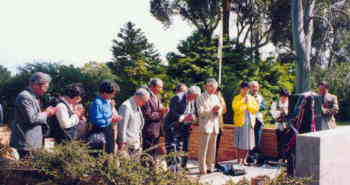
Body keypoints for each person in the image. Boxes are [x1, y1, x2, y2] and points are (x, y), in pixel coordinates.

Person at [10, 72, 57, 158]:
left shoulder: (32, 96)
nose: (46, 90)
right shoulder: (25, 97)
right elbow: (32, 119)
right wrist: (47, 113)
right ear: (36, 85)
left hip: (32, 143)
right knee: (27, 170)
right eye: (45, 87)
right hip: (26, 144)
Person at [164, 85, 201, 170]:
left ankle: (180, 168)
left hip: (184, 128)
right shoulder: (177, 98)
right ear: (190, 94)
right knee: (172, 149)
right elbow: (173, 113)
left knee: (182, 149)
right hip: (172, 127)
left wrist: (193, 117)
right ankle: (171, 170)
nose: (194, 99)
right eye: (194, 97)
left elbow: (194, 112)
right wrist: (183, 117)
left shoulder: (192, 100)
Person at [196, 78, 223, 175]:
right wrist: (212, 110)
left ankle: (210, 167)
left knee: (212, 148)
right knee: (203, 149)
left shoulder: (216, 97)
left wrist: (218, 111)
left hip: (215, 125)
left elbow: (221, 110)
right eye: (211, 87)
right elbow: (200, 112)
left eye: (215, 88)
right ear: (206, 86)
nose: (213, 89)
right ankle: (202, 168)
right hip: (206, 125)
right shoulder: (200, 97)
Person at [89, 80, 123, 154]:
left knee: (110, 156)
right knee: (101, 158)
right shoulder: (97, 103)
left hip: (109, 133)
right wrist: (111, 119)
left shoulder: (108, 102)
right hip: (100, 134)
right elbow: (97, 121)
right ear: (104, 93)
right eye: (112, 94)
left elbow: (109, 115)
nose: (113, 96)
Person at [232, 81, 259, 166]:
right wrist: (244, 104)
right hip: (240, 122)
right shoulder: (237, 98)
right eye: (244, 89)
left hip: (250, 122)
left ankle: (244, 159)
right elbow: (235, 108)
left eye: (247, 89)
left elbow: (255, 109)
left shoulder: (251, 98)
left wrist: (248, 104)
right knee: (239, 142)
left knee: (248, 142)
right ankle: (239, 159)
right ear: (241, 89)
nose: (246, 91)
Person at [117, 88, 150, 157]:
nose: (144, 104)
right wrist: (122, 143)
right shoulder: (126, 106)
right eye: (144, 101)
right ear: (138, 97)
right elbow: (122, 127)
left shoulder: (137, 106)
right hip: (127, 145)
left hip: (136, 144)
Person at [141, 78, 168, 158]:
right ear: (153, 86)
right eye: (160, 87)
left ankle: (151, 169)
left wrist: (164, 110)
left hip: (156, 130)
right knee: (147, 154)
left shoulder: (157, 96)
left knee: (153, 154)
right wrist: (161, 113)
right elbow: (147, 114)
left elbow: (158, 109)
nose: (161, 89)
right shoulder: (146, 96)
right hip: (148, 130)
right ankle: (145, 170)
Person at [270, 88, 290, 160]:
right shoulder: (275, 103)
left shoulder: (289, 103)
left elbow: (291, 114)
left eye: (286, 97)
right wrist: (280, 112)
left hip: (287, 125)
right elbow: (273, 114)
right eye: (283, 97)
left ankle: (287, 158)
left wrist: (285, 111)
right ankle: (280, 157)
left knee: (287, 142)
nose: (284, 99)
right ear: (280, 96)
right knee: (279, 142)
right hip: (278, 125)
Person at [249, 81, 266, 155]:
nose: (254, 88)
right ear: (250, 88)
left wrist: (255, 106)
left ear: (258, 88)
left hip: (258, 120)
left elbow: (264, 107)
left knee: (257, 140)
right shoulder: (247, 96)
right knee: (249, 139)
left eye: (256, 87)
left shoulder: (260, 97)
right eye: (253, 87)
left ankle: (256, 156)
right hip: (249, 120)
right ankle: (249, 156)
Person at [215, 87, 227, 166]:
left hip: (219, 124)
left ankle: (215, 161)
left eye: (219, 91)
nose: (218, 92)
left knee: (217, 144)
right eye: (217, 90)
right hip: (211, 124)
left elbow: (225, 110)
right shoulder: (209, 98)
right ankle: (209, 161)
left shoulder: (221, 99)